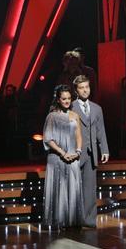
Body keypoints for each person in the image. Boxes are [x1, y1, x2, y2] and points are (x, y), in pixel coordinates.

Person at [43, 85, 83, 229]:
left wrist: (77, 152)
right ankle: (58, 221)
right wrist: (62, 153)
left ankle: (72, 221)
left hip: (73, 157)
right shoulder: (52, 116)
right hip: (57, 157)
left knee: (73, 188)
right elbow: (48, 139)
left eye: (69, 98)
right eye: (63, 98)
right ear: (58, 100)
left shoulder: (74, 115)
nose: (67, 101)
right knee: (59, 188)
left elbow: (79, 136)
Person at [71, 75, 109, 228]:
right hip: (75, 153)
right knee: (74, 189)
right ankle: (74, 220)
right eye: (81, 88)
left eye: (87, 87)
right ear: (76, 90)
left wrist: (104, 149)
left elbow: (101, 131)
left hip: (92, 153)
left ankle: (89, 220)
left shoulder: (96, 108)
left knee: (89, 189)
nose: (85, 90)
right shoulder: (70, 107)